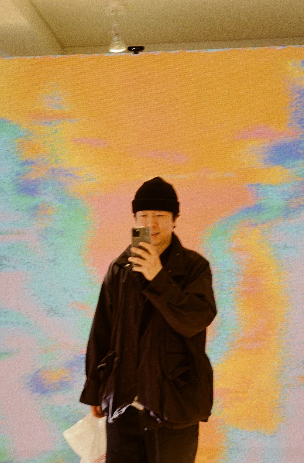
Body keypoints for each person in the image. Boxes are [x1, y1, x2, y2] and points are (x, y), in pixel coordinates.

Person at [80, 177, 217, 463]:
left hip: (175, 403)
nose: (151, 223)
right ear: (135, 220)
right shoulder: (120, 268)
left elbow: (195, 319)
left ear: (175, 220)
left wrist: (158, 277)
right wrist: (94, 389)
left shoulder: (194, 267)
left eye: (160, 216)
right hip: (123, 404)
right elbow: (101, 330)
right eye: (143, 216)